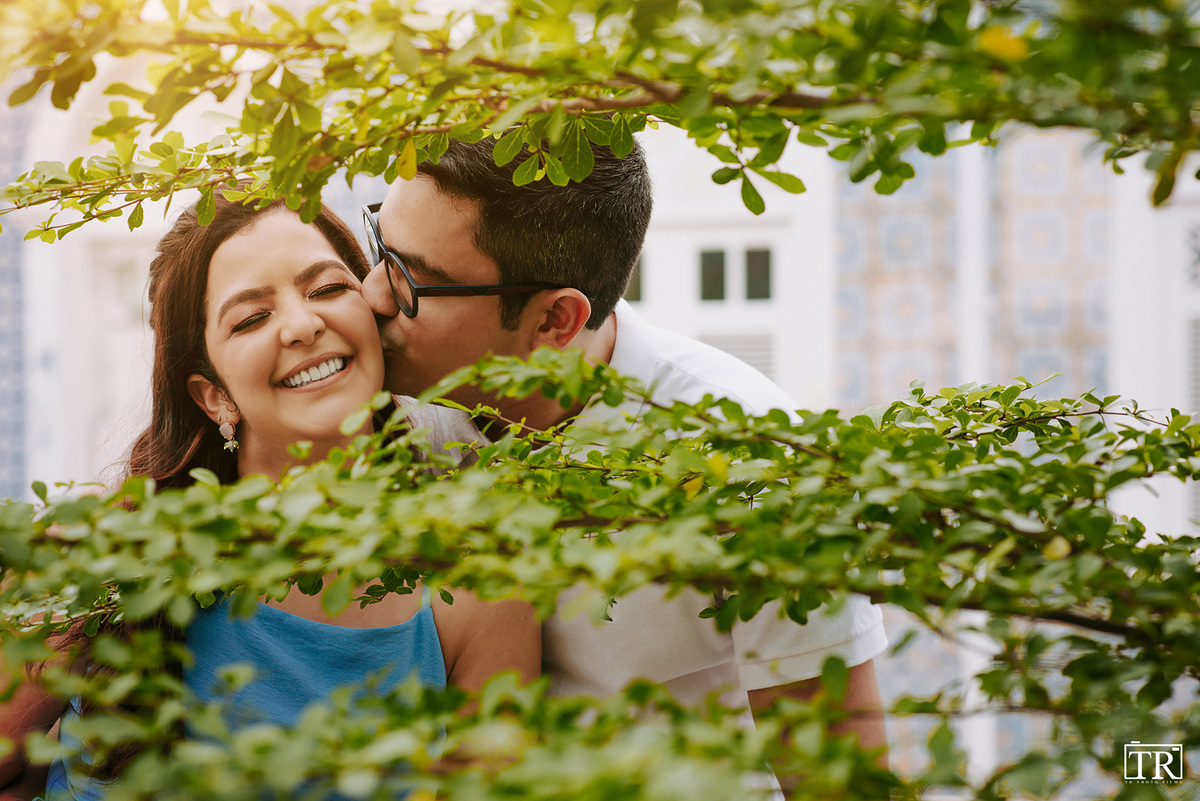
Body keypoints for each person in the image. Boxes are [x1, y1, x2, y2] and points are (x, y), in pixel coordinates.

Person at [359, 135, 890, 795]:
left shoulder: (753, 468)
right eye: (378, 247)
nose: (371, 295)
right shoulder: (385, 414)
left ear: (555, 320)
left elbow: (842, 784)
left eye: (410, 279)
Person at [0, 192, 539, 801]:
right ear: (214, 396)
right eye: (251, 318)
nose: (303, 325)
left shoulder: (481, 585)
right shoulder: (96, 557)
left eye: (327, 288)